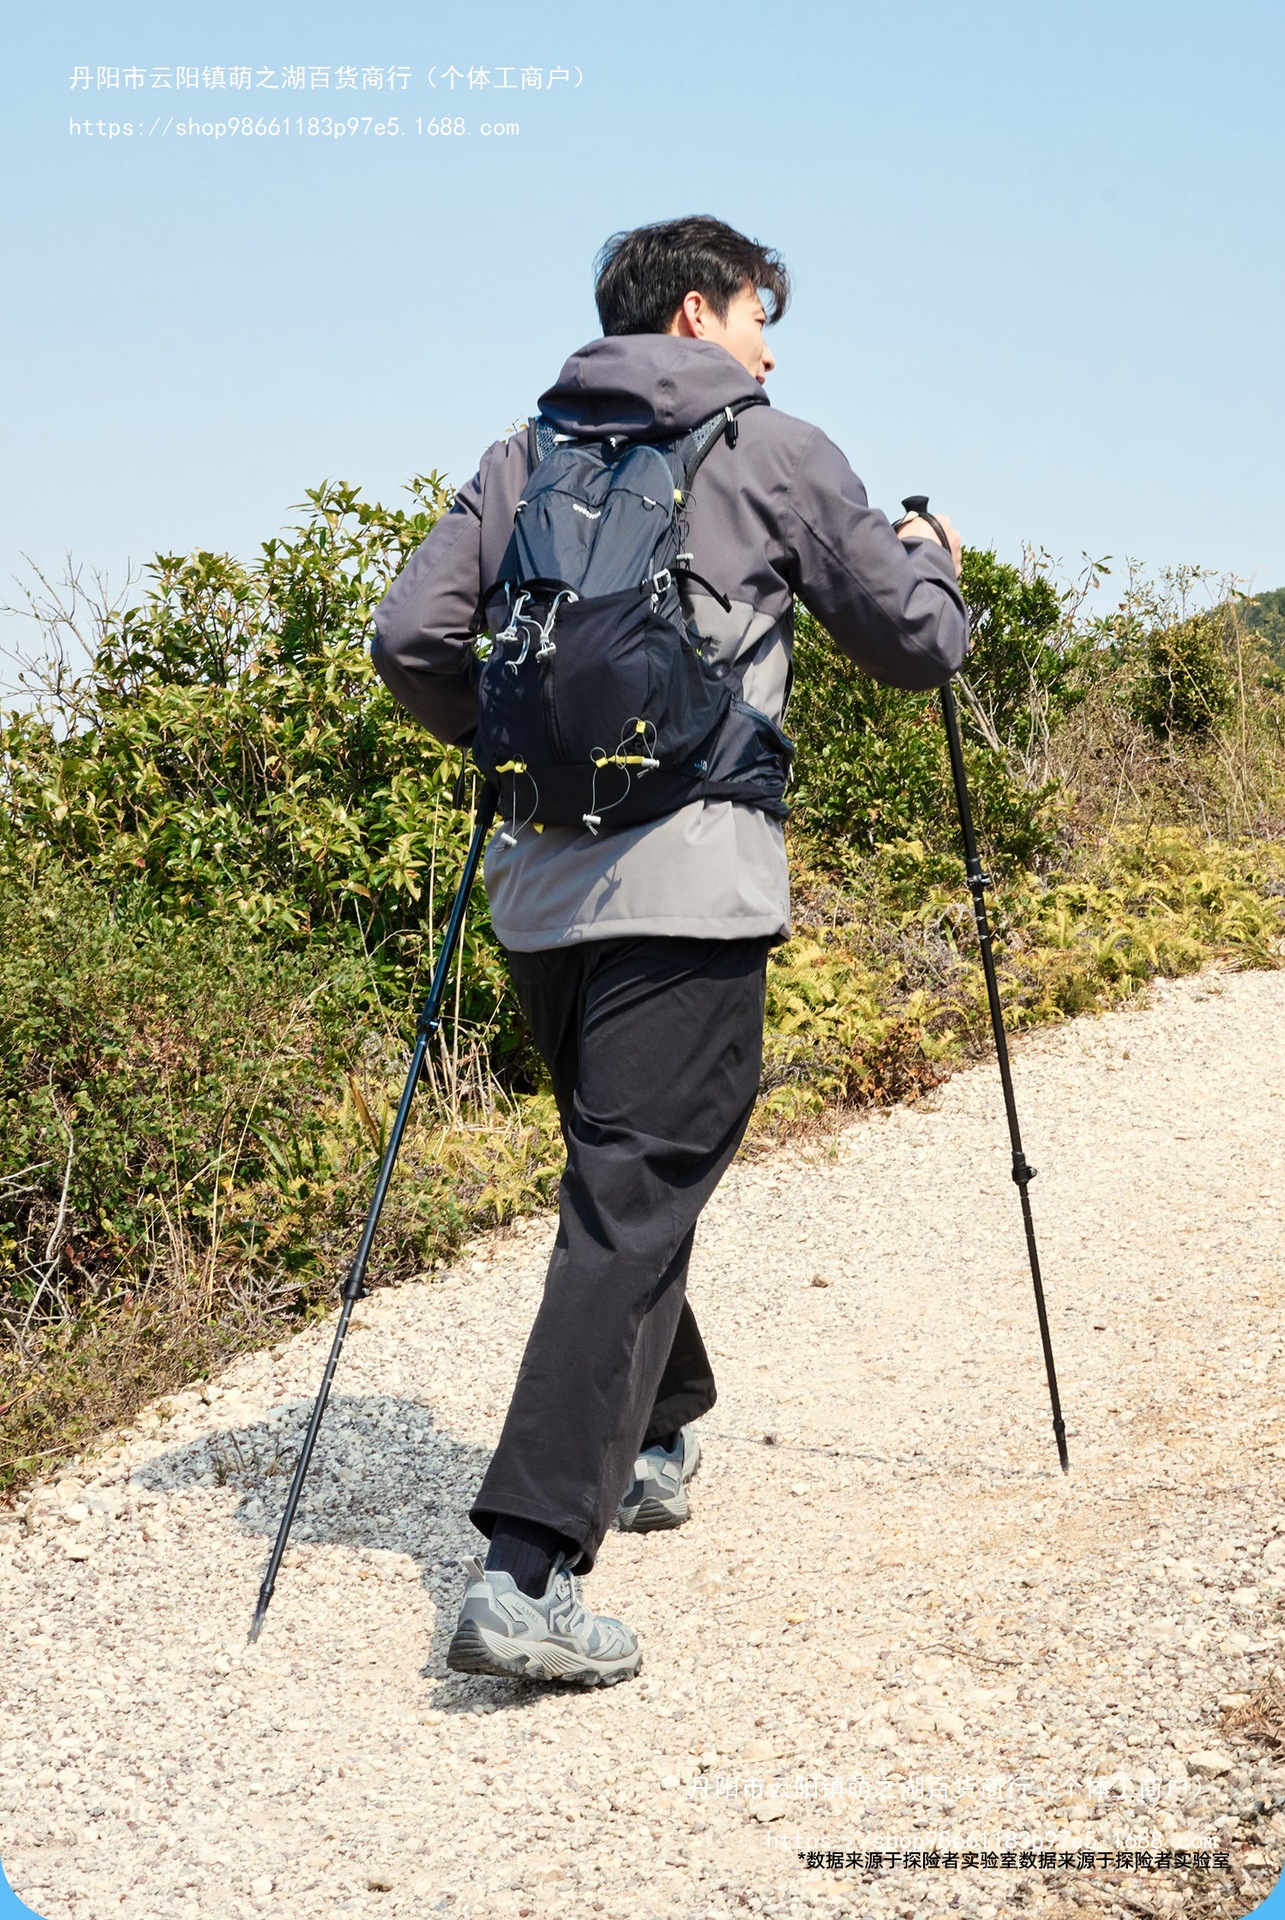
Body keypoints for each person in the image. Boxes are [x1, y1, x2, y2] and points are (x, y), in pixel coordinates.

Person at [371, 214, 967, 1687]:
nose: (771, 350)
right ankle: (523, 1573)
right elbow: (910, 647)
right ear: (699, 311)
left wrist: (523, 755)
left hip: (537, 898)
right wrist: (936, 566)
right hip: (692, 891)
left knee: (627, 1178)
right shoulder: (774, 450)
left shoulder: (522, 456)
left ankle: (652, 1429)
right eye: (763, 316)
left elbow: (409, 642)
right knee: (631, 1201)